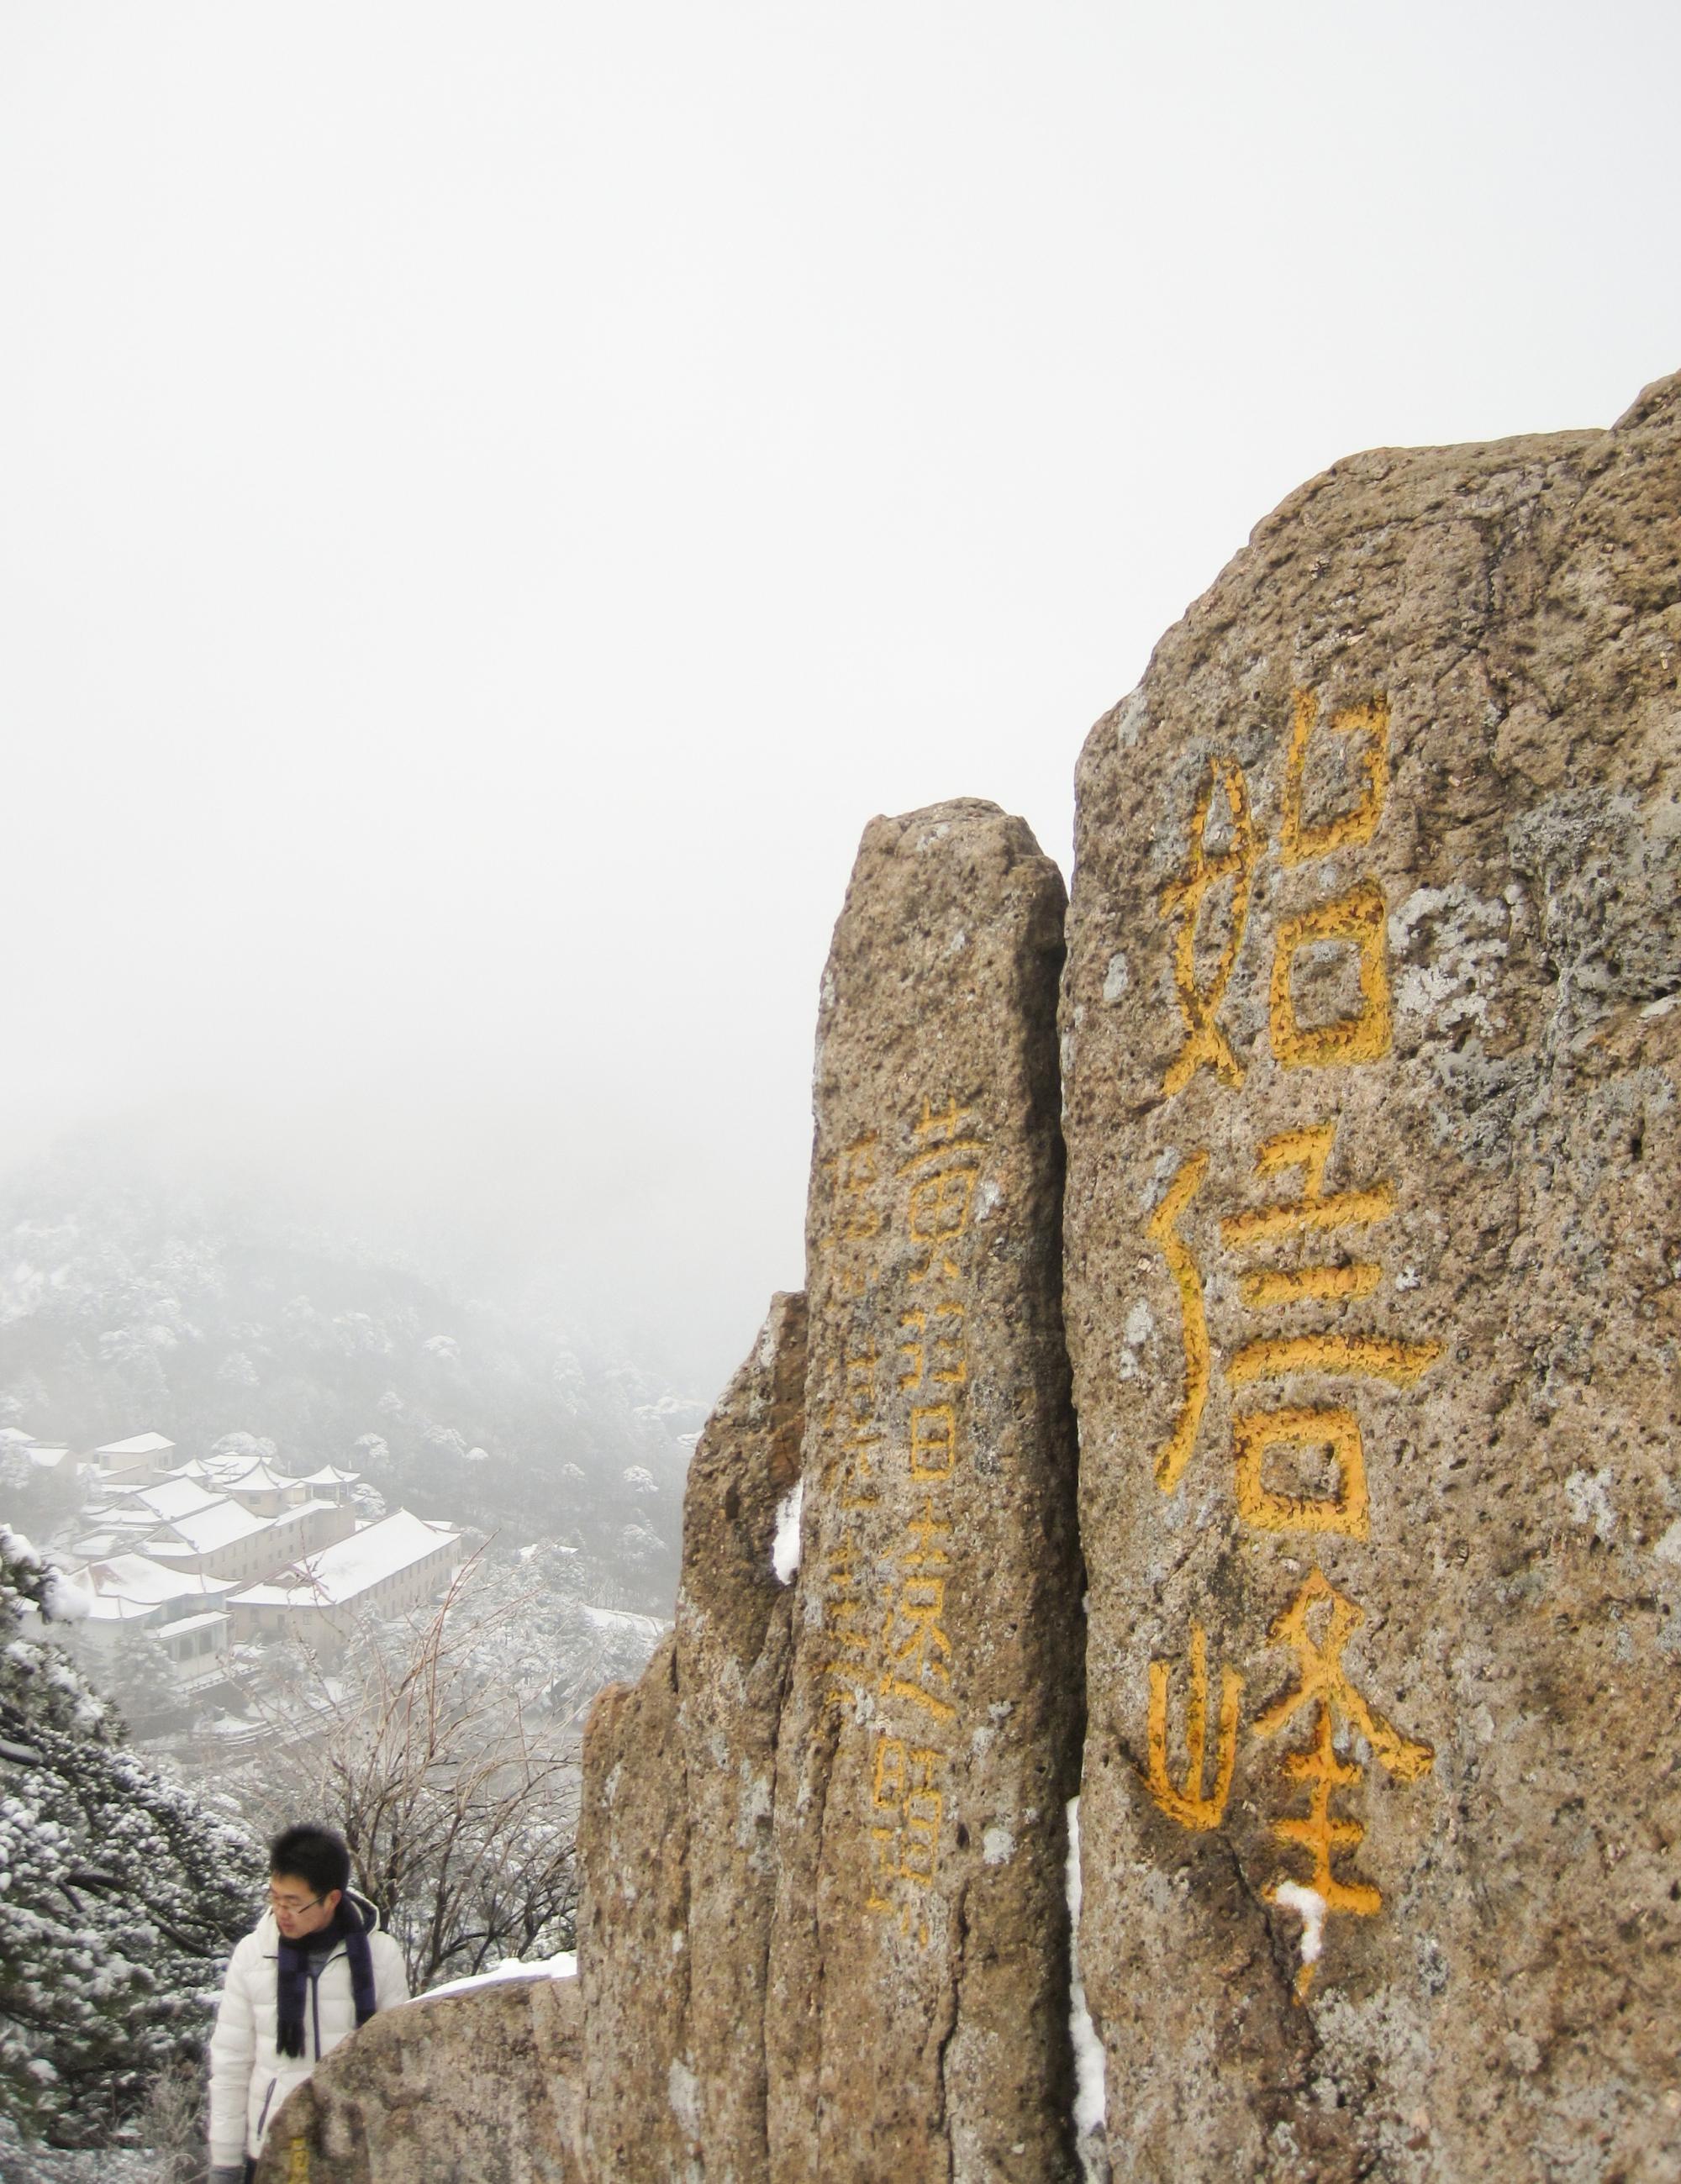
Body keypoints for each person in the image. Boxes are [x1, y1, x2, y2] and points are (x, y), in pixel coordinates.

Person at [207, 1822, 408, 2182]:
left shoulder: (380, 1956)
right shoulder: (254, 1955)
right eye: (275, 1898)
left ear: (332, 1899)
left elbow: (397, 2063)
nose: (281, 1912)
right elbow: (231, 2064)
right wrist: (224, 2163)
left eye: (293, 1903)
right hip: (275, 2146)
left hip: (356, 2150)